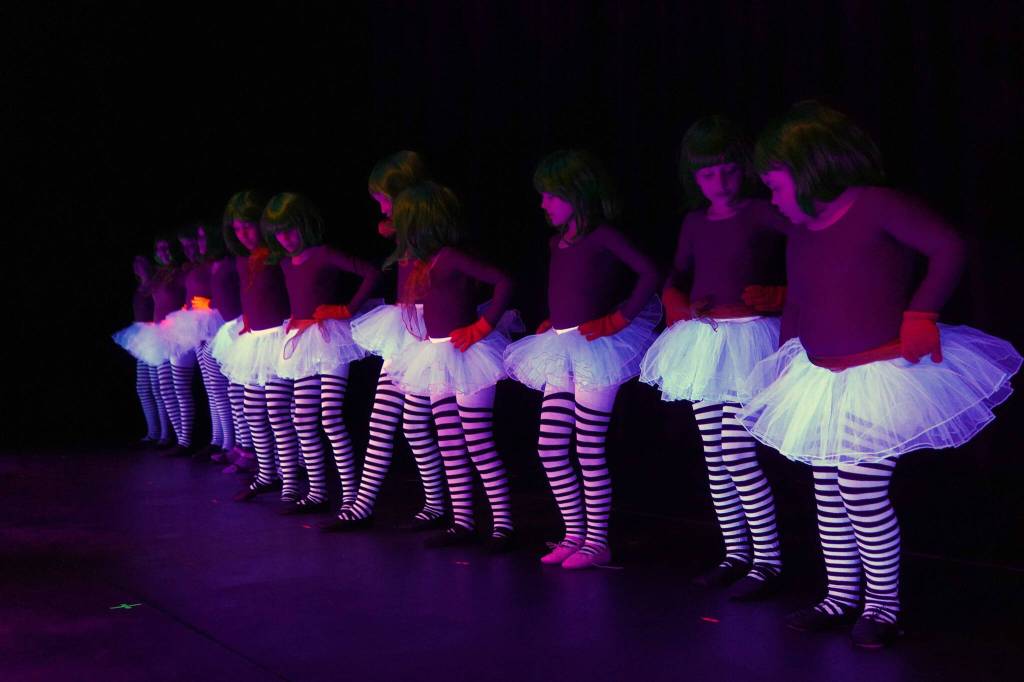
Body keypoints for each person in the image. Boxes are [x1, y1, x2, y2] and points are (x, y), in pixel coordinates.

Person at [739, 101, 1022, 648]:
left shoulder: (875, 205)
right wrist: (779, 364)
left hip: (879, 376)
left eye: (775, 186)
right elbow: (797, 302)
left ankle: (883, 605)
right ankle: (841, 595)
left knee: (860, 490)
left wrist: (923, 313)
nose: (772, 200)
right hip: (820, 377)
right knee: (826, 489)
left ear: (810, 170)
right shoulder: (802, 233)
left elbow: (949, 247)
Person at [639, 116, 786, 598]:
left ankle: (767, 561)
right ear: (693, 177)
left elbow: (807, 254)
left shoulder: (763, 213)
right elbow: (676, 273)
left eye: (725, 170)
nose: (718, 182)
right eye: (706, 175)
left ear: (741, 169)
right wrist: (675, 301)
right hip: (705, 340)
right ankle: (735, 553)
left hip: (748, 337)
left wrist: (780, 294)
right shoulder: (695, 221)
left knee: (739, 456)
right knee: (716, 458)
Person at [503, 150, 659, 569]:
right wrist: (557, 320)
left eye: (551, 195)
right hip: (562, 345)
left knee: (588, 447)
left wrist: (620, 318)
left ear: (576, 194)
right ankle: (574, 531)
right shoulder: (557, 243)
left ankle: (598, 540)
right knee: (551, 445)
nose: (543, 204)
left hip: (597, 349)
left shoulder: (603, 235)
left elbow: (648, 273)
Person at [263, 192, 380, 513]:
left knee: (329, 417)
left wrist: (347, 308)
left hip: (330, 340)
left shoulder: (323, 253)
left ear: (304, 224)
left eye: (290, 229)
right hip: (301, 340)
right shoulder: (286, 263)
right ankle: (317, 490)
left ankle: (352, 494)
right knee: (302, 418)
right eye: (278, 233)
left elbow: (371, 272)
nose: (285, 239)